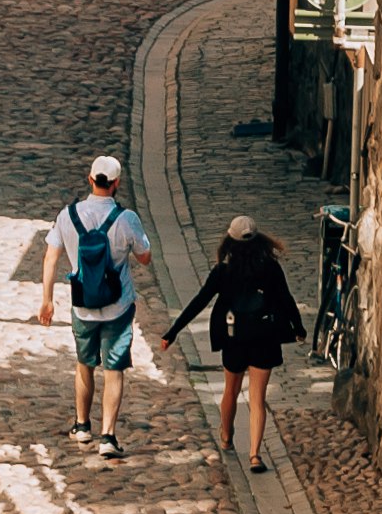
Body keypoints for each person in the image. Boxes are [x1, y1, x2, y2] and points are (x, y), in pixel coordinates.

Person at [36, 156, 154, 457]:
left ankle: (82, 425)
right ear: (116, 184)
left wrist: (47, 300)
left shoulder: (68, 215)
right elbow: (145, 257)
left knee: (84, 364)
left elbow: (50, 258)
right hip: (118, 304)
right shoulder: (126, 219)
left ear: (90, 180)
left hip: (83, 306)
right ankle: (108, 437)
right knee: (114, 369)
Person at [167, 215, 306, 470]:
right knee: (257, 399)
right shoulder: (271, 268)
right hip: (264, 337)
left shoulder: (223, 271)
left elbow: (200, 301)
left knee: (230, 391)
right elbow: (287, 300)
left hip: (234, 338)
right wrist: (299, 329)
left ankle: (227, 436)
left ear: (229, 240)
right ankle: (255, 455)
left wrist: (173, 331)